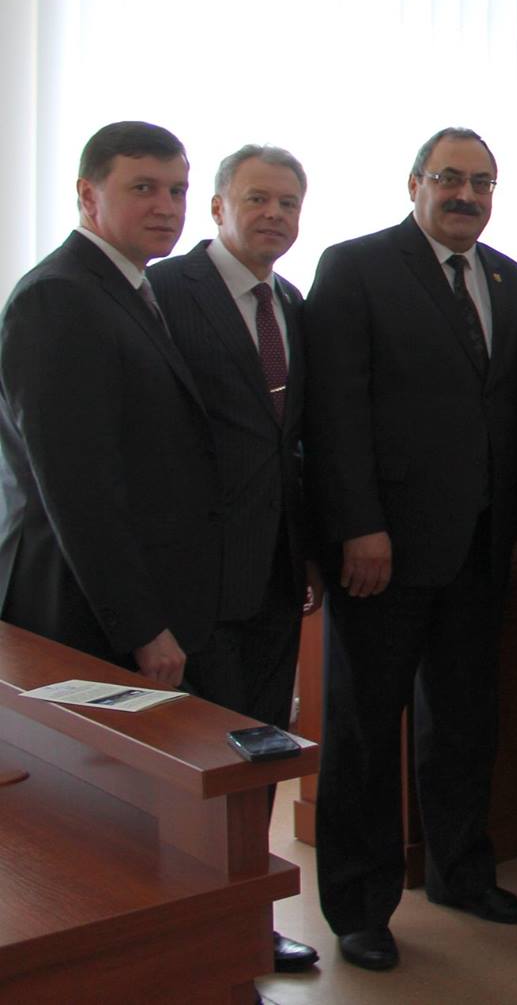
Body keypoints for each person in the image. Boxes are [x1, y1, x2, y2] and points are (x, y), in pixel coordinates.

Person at [303, 127, 517, 972]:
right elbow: (334, 410)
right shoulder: (355, 267)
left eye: (482, 181)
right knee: (366, 731)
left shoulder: (515, 282)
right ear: (415, 184)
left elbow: (511, 415)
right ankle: (360, 906)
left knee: (465, 723)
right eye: (450, 177)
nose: (467, 194)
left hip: (480, 548)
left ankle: (460, 872)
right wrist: (357, 525)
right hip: (384, 551)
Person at [146, 143, 321, 975]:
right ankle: (189, 935)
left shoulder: (292, 302)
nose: (274, 215)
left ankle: (250, 919)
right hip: (194, 578)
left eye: (289, 202)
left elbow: (295, 447)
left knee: (259, 755)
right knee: (195, 766)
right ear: (217, 207)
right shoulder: (164, 292)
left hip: (276, 576)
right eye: (257, 198)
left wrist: (308, 551)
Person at [1, 120, 218, 682]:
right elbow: (78, 487)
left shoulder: (128, 289)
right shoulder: (59, 296)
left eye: (177, 190)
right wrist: (142, 628)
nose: (167, 207)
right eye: (143, 188)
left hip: (132, 597)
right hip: (78, 610)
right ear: (87, 194)